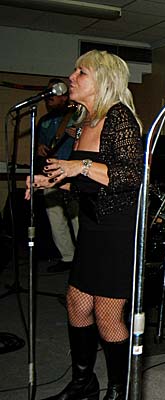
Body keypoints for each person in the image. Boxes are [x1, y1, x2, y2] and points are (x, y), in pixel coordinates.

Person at [25, 50, 143, 400]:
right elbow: (85, 182)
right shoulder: (84, 121)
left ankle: (118, 392)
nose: (72, 76)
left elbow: (131, 176)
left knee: (107, 314)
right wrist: (53, 182)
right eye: (74, 69)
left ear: (103, 81)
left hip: (118, 229)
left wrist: (81, 168)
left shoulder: (120, 118)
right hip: (92, 225)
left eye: (82, 72)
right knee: (77, 303)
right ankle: (83, 383)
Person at [36, 78, 79, 272]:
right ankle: (67, 257)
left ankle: (82, 257)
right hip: (50, 172)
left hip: (72, 173)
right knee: (55, 217)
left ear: (63, 95)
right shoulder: (44, 120)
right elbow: (40, 144)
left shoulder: (76, 115)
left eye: (53, 94)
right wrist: (40, 148)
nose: (49, 99)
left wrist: (77, 134)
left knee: (76, 215)